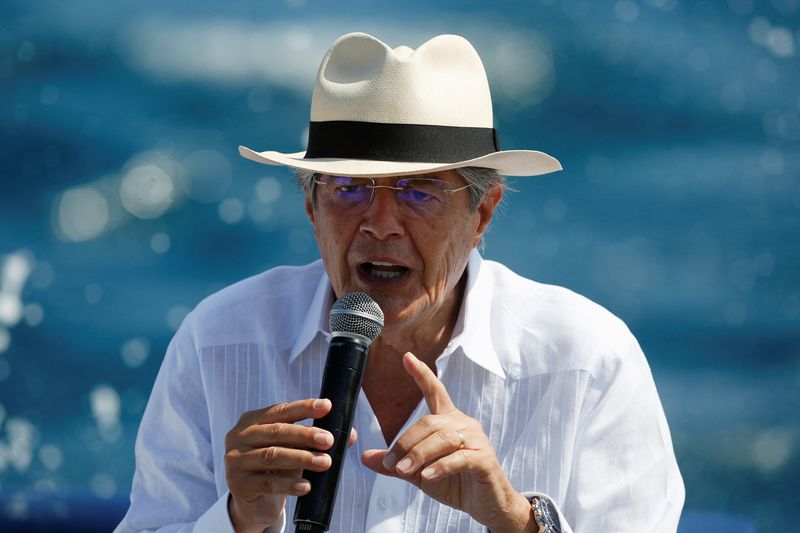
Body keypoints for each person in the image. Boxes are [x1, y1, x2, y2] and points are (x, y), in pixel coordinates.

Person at [116, 32, 684, 533]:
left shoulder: (588, 361)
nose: (379, 224)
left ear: (482, 215)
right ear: (310, 208)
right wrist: (240, 521)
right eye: (348, 189)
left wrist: (514, 521)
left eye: (419, 192)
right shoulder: (217, 341)